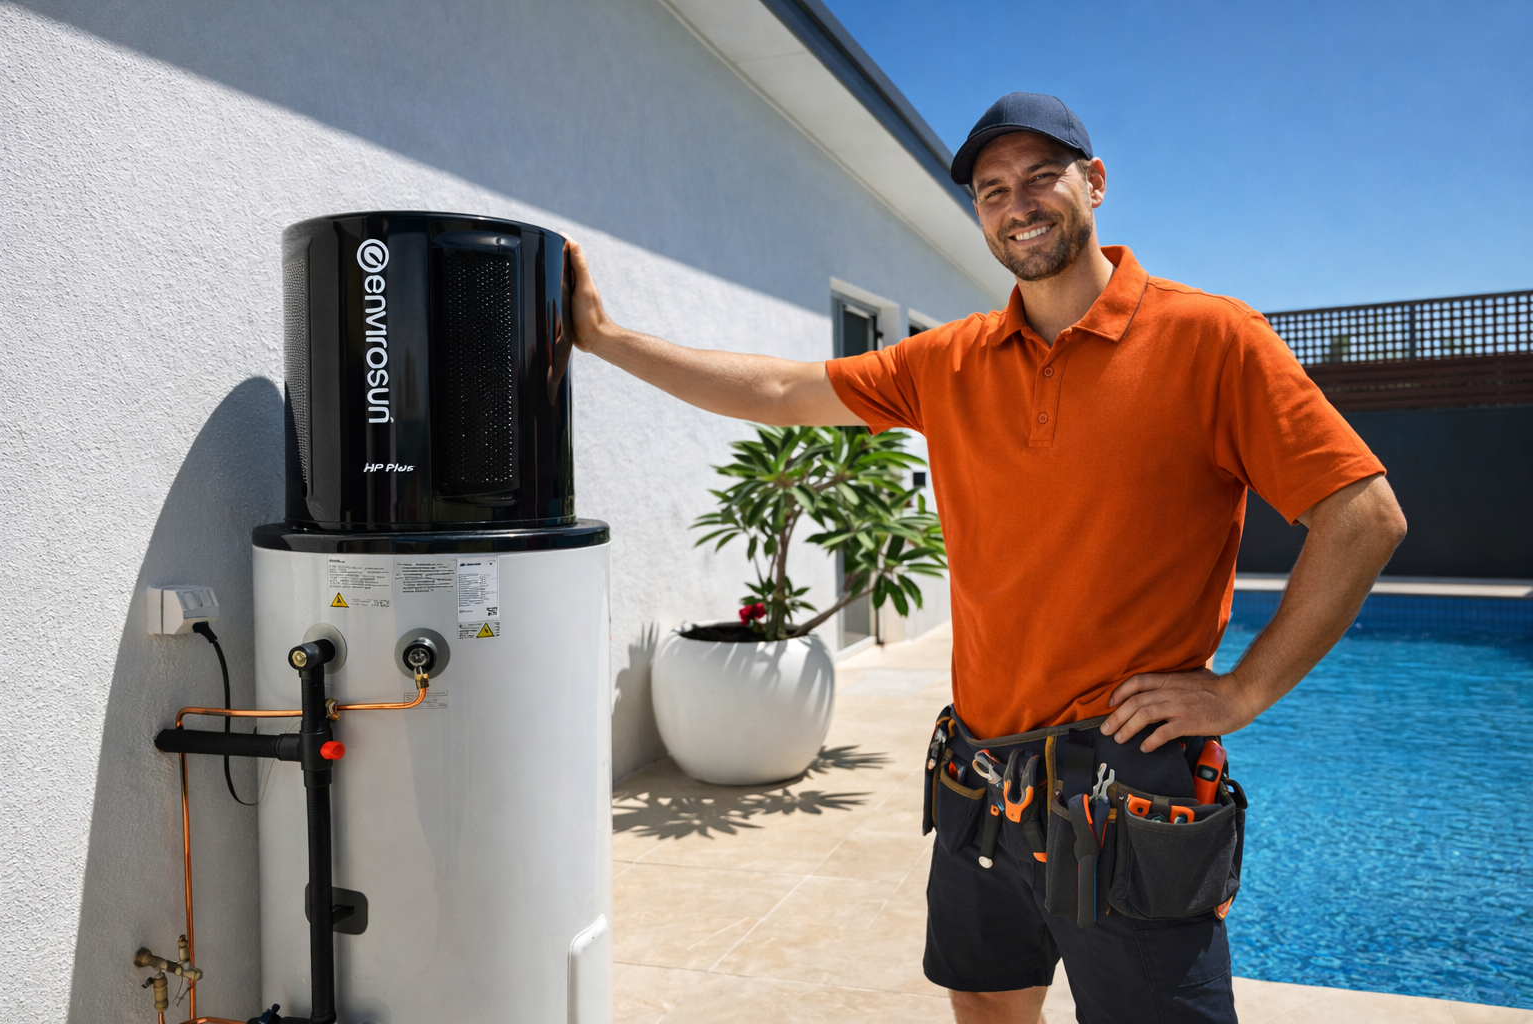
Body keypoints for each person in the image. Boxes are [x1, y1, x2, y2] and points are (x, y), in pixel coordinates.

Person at [563, 91, 1406, 1024]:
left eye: (1042, 176)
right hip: (980, 778)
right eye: (993, 189)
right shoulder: (949, 360)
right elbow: (778, 386)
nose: (1018, 203)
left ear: (1094, 183)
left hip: (1127, 788)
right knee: (986, 1006)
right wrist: (604, 340)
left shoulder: (1212, 339)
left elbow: (1362, 515)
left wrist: (1243, 691)